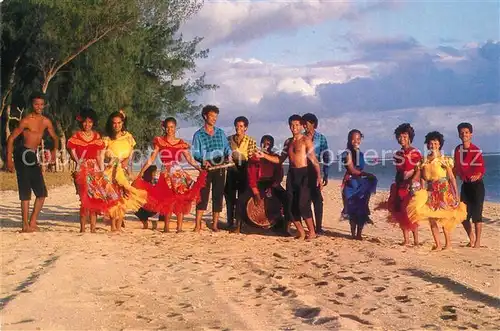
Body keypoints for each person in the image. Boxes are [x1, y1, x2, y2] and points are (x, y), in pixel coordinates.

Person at [256, 115, 321, 240]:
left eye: (297, 125)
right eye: (292, 125)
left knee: (303, 204)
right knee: (290, 205)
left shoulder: (306, 140)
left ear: (302, 126)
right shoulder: (288, 142)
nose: (294, 127)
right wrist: (263, 155)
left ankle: (312, 232)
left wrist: (318, 176)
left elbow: (313, 159)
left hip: (304, 174)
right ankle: (301, 232)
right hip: (292, 174)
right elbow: (279, 159)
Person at [138, 117, 206, 233]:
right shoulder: (160, 141)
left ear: (175, 128)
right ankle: (166, 228)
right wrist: (142, 171)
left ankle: (179, 228)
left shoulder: (181, 143)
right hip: (166, 174)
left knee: (180, 199)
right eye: (168, 127)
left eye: (172, 127)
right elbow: (152, 158)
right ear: (164, 128)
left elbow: (189, 158)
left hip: (178, 174)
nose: (170, 129)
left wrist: (198, 168)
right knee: (167, 200)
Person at [6, 93, 59, 232]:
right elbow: (11, 139)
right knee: (25, 190)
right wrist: (9, 160)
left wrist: (54, 152)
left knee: (41, 193)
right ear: (31, 104)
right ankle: (25, 225)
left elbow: (55, 138)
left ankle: (33, 222)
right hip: (22, 153)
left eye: (41, 104)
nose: (39, 107)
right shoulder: (26, 120)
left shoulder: (46, 121)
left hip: (32, 155)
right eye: (36, 104)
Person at [407, 131, 467, 250]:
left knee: (445, 217)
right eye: (431, 143)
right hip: (430, 191)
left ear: (439, 144)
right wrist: (421, 190)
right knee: (432, 218)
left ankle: (448, 244)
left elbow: (451, 178)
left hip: (444, 190)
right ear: (428, 145)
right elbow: (423, 178)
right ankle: (438, 244)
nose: (433, 145)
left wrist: (456, 195)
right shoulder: (424, 161)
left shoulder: (444, 160)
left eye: (435, 143)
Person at [68, 108, 119, 233]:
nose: (87, 125)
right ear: (81, 122)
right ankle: (82, 228)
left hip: (95, 169)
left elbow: (98, 156)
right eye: (85, 122)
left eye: (90, 122)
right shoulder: (76, 137)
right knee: (84, 198)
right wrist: (79, 165)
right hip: (82, 169)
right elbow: (73, 154)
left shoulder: (96, 136)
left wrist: (102, 171)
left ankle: (93, 227)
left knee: (97, 197)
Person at [234, 135, 289, 235]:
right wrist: (256, 193)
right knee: (241, 200)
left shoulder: (274, 157)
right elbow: (251, 176)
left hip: (271, 183)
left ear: (272, 145)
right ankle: (237, 226)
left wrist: (273, 186)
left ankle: (284, 227)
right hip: (257, 183)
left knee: (286, 198)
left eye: (268, 144)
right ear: (260, 144)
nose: (266, 145)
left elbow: (279, 175)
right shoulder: (254, 157)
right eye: (264, 143)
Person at [102, 110, 147, 232]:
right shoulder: (107, 138)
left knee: (123, 197)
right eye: (114, 123)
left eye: (119, 123)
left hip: (124, 170)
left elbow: (131, 153)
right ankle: (112, 225)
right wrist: (110, 158)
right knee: (112, 197)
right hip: (111, 171)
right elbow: (103, 155)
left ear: (123, 123)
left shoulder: (128, 137)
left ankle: (119, 225)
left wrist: (127, 161)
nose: (117, 125)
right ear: (111, 124)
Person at [191, 105, 232, 232]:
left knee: (218, 195)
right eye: (212, 116)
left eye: (216, 116)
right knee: (203, 195)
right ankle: (197, 225)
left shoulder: (220, 133)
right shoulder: (198, 135)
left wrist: (229, 155)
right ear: (205, 116)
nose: (214, 119)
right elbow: (195, 152)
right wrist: (203, 160)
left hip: (220, 165)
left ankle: (214, 225)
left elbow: (226, 148)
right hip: (206, 166)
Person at [384, 123, 422, 246]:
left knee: (411, 212)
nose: (402, 139)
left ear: (410, 137)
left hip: (411, 186)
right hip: (399, 185)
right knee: (400, 212)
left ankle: (416, 240)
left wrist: (412, 183)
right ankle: (406, 239)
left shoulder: (415, 152)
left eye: (405, 136)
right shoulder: (398, 154)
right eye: (400, 137)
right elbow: (399, 171)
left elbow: (418, 170)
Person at [341, 129, 377, 240]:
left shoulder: (361, 154)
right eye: (353, 139)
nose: (355, 141)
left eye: (358, 138)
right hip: (351, 183)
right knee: (352, 209)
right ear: (349, 140)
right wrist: (367, 174)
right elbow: (351, 170)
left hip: (360, 182)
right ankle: (353, 234)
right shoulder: (346, 153)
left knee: (362, 208)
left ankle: (359, 234)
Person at [453, 122, 486, 248]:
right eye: (462, 133)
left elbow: (482, 168)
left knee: (477, 215)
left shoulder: (476, 150)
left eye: (466, 132)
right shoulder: (458, 149)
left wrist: (478, 175)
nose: (464, 134)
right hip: (465, 186)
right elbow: (456, 167)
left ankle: (477, 242)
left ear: (471, 134)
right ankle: (471, 237)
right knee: (463, 216)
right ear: (459, 135)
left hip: (477, 186)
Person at [225, 116, 257, 229]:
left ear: (246, 128)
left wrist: (240, 158)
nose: (238, 128)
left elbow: (251, 158)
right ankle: (229, 222)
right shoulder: (228, 139)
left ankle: (239, 223)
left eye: (241, 126)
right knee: (229, 198)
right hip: (231, 171)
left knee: (242, 198)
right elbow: (225, 155)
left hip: (244, 170)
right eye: (237, 126)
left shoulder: (251, 141)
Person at [302, 113, 330, 234]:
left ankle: (319, 227)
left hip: (315, 170)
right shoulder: (300, 137)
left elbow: (326, 156)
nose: (304, 126)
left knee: (317, 199)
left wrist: (326, 173)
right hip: (303, 169)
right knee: (305, 199)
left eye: (306, 123)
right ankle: (311, 227)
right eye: (303, 124)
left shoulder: (321, 138)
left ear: (313, 124)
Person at [132, 165, 165, 230]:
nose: (155, 174)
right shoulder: (145, 181)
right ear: (151, 172)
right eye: (154, 172)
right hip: (148, 206)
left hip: (147, 206)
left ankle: (147, 225)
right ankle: (149, 225)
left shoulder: (148, 181)